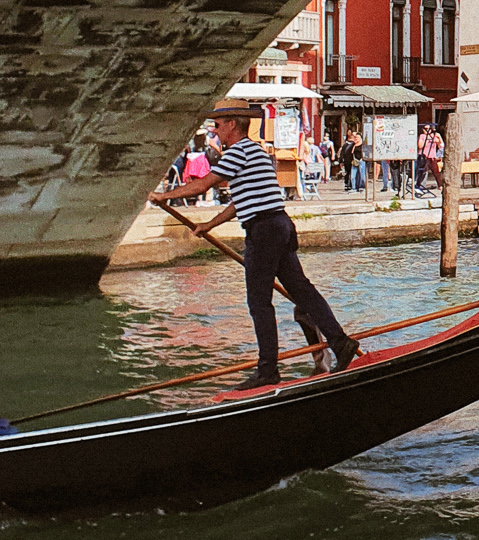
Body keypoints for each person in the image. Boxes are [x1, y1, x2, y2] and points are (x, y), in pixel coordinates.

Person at [154, 103, 361, 387]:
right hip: (281, 225)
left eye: (218, 124)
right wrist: (209, 226)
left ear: (232, 125)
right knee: (302, 290)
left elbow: (203, 185)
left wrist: (164, 196)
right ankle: (340, 343)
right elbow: (241, 201)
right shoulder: (258, 153)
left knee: (259, 303)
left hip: (264, 231)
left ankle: (267, 371)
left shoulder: (237, 152)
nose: (215, 130)